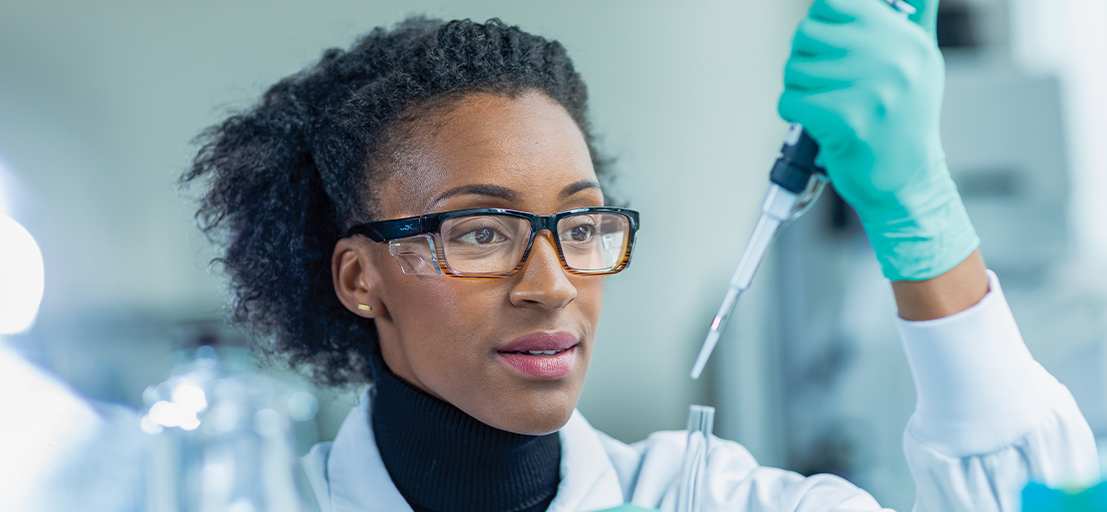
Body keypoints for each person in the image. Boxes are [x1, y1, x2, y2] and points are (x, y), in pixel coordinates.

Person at [182, 2, 1098, 511]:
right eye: (478, 233)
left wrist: (918, 213)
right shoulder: (257, 503)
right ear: (359, 277)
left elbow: (1030, 499)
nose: (551, 286)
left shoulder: (706, 501)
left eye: (579, 227)